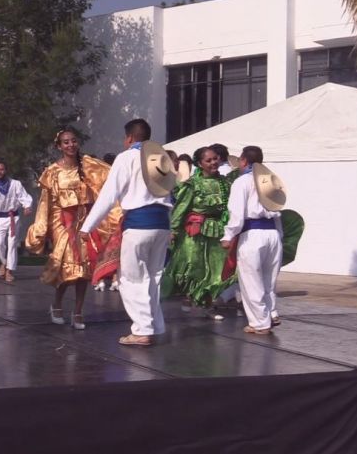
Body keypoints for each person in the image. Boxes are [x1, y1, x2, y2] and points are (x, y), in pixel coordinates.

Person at [79, 119, 175, 346]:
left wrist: (87, 226)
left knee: (132, 278)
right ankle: (153, 326)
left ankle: (142, 330)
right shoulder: (162, 159)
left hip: (139, 224)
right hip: (161, 224)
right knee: (153, 276)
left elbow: (109, 195)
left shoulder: (126, 157)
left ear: (129, 138)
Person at [25, 127, 121, 330]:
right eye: (66, 142)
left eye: (73, 141)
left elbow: (110, 182)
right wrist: (41, 229)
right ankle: (57, 304)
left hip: (84, 222)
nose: (71, 145)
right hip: (62, 224)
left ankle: (78, 311)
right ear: (59, 146)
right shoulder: (52, 172)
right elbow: (45, 203)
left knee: (83, 270)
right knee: (68, 268)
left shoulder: (89, 166)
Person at [162, 146, 232, 319]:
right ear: (200, 164)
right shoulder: (192, 184)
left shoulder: (225, 183)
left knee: (215, 269)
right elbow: (181, 208)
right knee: (192, 267)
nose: (213, 162)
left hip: (217, 230)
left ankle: (207, 305)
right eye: (208, 160)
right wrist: (173, 230)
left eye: (215, 158)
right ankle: (188, 297)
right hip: (195, 232)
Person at [220, 146, 284, 335]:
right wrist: (279, 235)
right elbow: (278, 209)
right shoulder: (272, 181)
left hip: (253, 234)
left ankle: (259, 323)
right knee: (268, 280)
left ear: (243, 161)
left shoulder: (242, 182)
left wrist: (228, 235)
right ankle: (271, 313)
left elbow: (237, 213)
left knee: (251, 280)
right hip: (272, 232)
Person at [0, 162, 33, 282]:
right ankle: (3, 262)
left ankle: (9, 271)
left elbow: (23, 196)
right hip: (0, 218)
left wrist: (27, 206)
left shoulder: (15, 184)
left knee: (12, 245)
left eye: (2, 169)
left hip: (13, 217)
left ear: (6, 170)